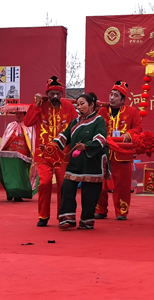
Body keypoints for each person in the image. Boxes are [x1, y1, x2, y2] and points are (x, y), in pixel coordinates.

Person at [24, 76, 78, 226]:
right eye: (52, 93)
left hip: (63, 154)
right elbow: (27, 122)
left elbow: (75, 127)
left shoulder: (68, 106)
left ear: (62, 94)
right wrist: (37, 104)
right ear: (46, 94)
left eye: (58, 93)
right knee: (45, 183)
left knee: (63, 185)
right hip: (43, 154)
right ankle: (43, 215)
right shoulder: (40, 105)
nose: (55, 96)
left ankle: (63, 215)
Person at [53, 93, 108, 230]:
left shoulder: (98, 120)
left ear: (91, 105)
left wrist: (86, 146)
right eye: (77, 104)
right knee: (67, 187)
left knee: (89, 194)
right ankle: (67, 218)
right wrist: (52, 146)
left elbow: (101, 139)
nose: (79, 107)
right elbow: (64, 136)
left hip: (92, 162)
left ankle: (87, 220)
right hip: (75, 163)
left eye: (82, 103)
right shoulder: (75, 122)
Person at [95, 81, 142, 221]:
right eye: (111, 94)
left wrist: (129, 134)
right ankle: (100, 210)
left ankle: (121, 211)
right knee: (100, 183)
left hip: (122, 154)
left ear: (123, 100)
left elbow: (138, 129)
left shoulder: (132, 112)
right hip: (103, 153)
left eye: (116, 96)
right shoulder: (102, 111)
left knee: (122, 185)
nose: (111, 98)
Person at [0, 106, 35, 202]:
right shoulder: (10, 125)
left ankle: (17, 194)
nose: (17, 115)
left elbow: (32, 141)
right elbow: (5, 138)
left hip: (23, 155)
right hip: (10, 154)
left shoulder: (29, 127)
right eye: (16, 113)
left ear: (25, 115)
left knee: (19, 176)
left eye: (20, 113)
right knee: (9, 175)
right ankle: (10, 192)